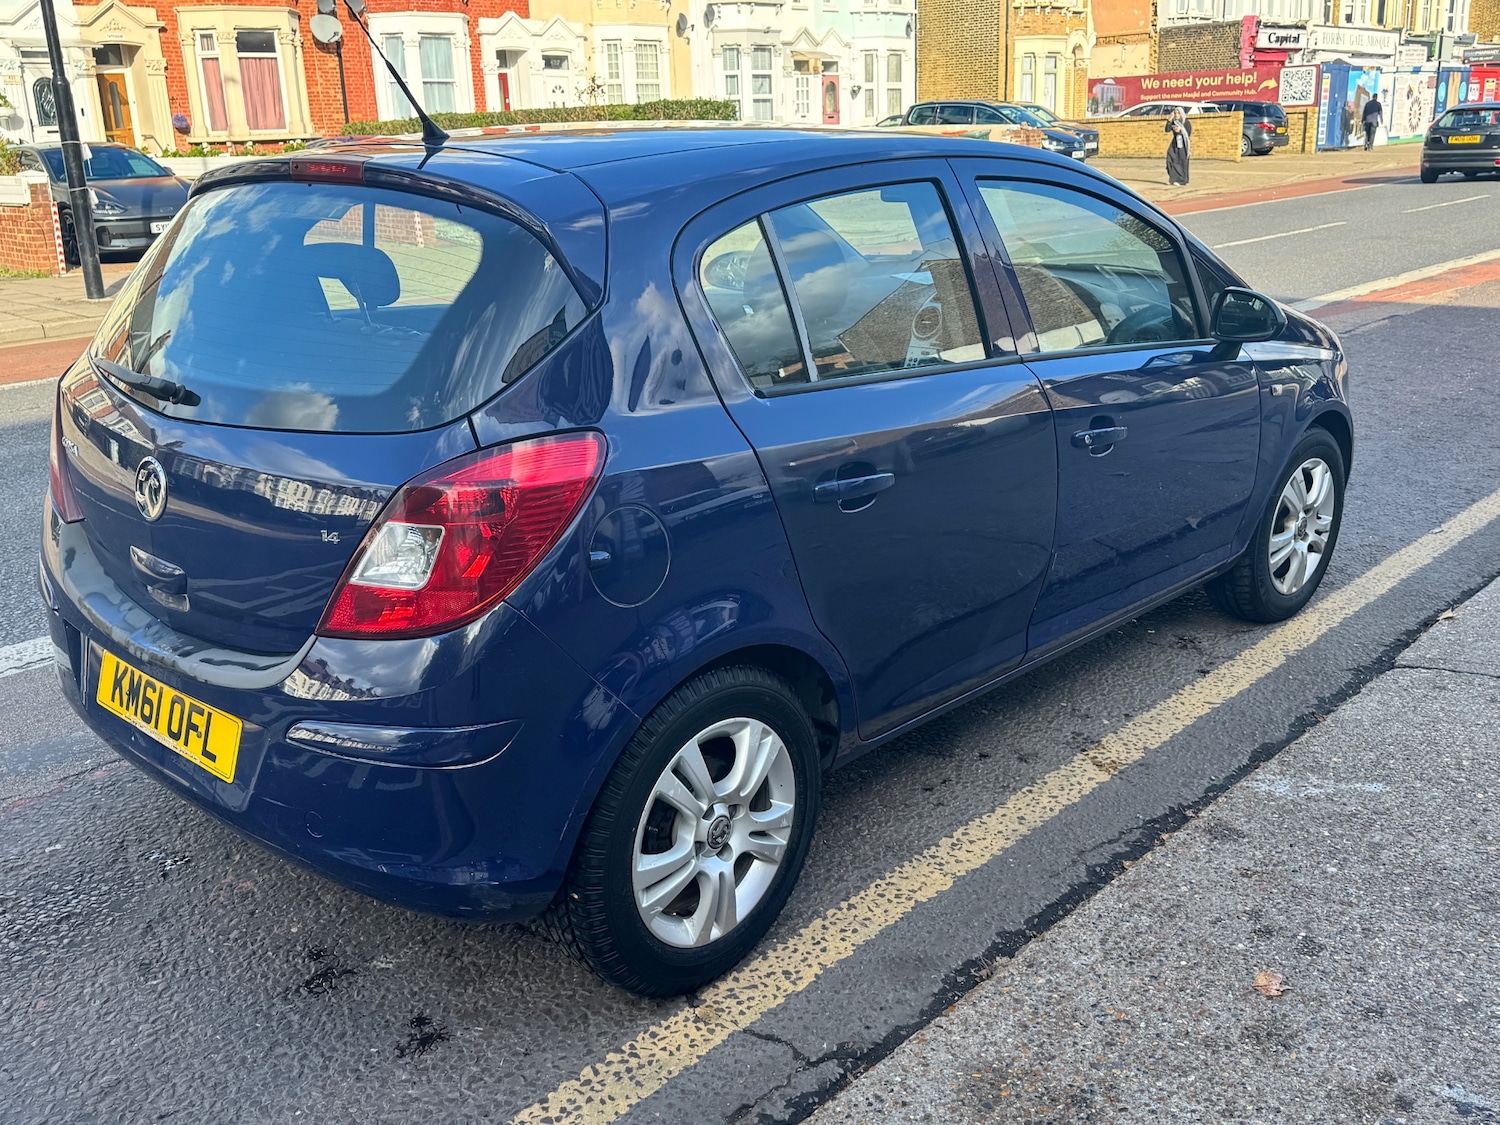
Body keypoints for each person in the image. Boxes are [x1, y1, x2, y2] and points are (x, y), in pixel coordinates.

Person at [1165, 107, 1192, 185]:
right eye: (1175, 113)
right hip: (1175, 143)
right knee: (1170, 159)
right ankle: (1173, 178)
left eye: (1178, 113)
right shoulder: (1174, 122)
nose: (1176, 115)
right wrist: (1169, 121)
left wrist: (1179, 131)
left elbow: (1187, 134)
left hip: (1183, 144)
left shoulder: (1186, 123)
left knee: (1181, 161)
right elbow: (1167, 130)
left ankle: (1182, 180)